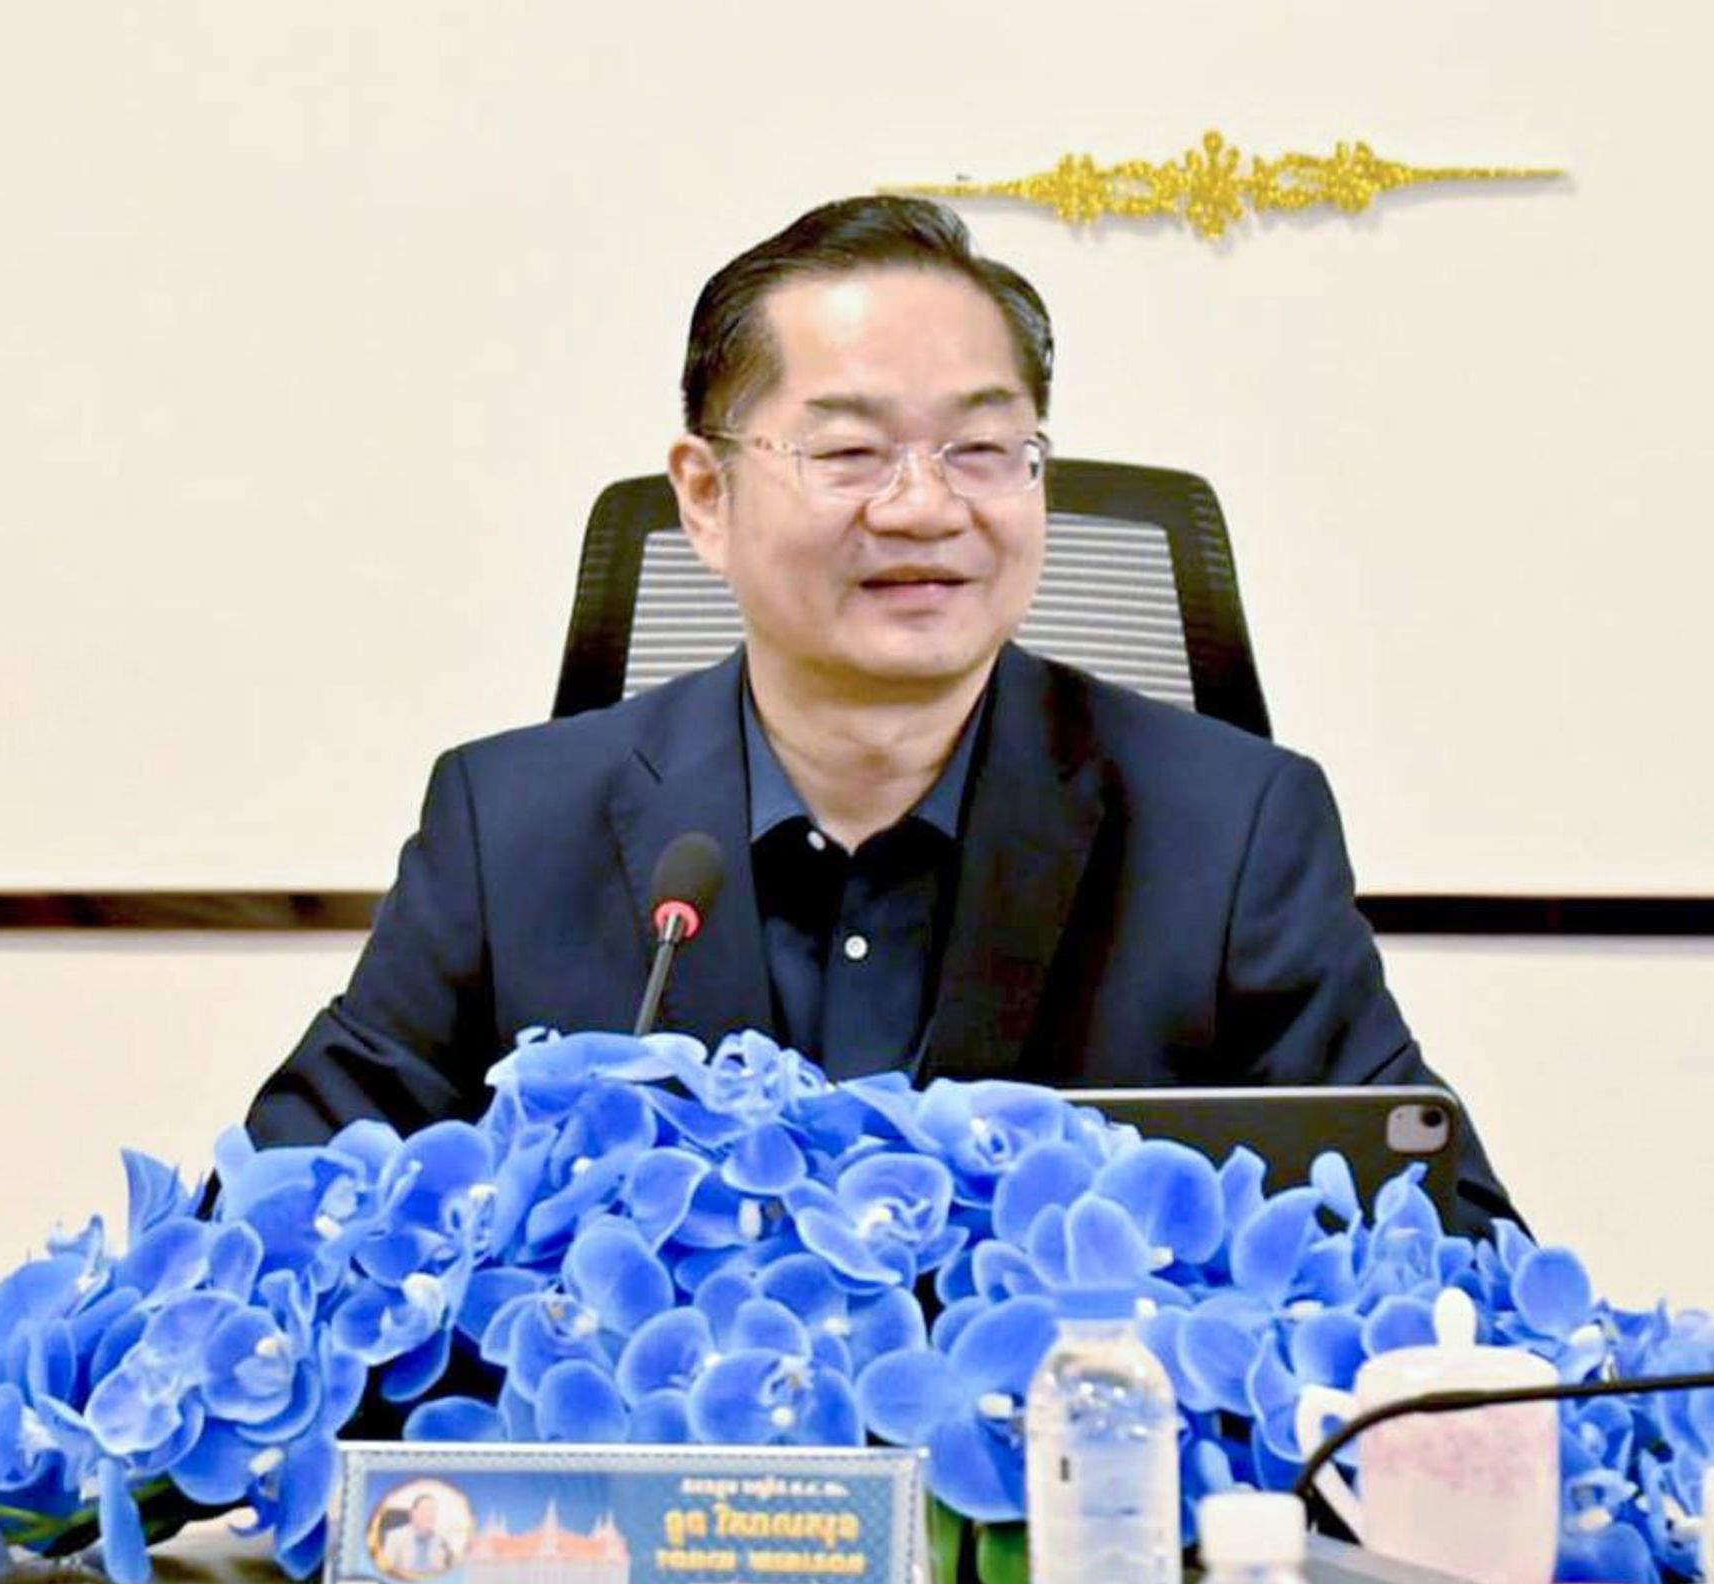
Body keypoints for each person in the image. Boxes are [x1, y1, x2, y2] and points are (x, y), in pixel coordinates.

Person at [246, 195, 1515, 1232]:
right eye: (851, 452)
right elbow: (275, 1210)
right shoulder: (509, 828)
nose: (924, 507)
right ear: (704, 497)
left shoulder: (1231, 831)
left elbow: (1447, 1241)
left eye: (982, 449)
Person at [378, 1492, 456, 1576]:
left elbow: (449, 1570)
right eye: (425, 1510)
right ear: (413, 1513)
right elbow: (386, 1570)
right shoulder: (395, 1537)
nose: (430, 1514)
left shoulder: (442, 1540)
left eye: (433, 1510)